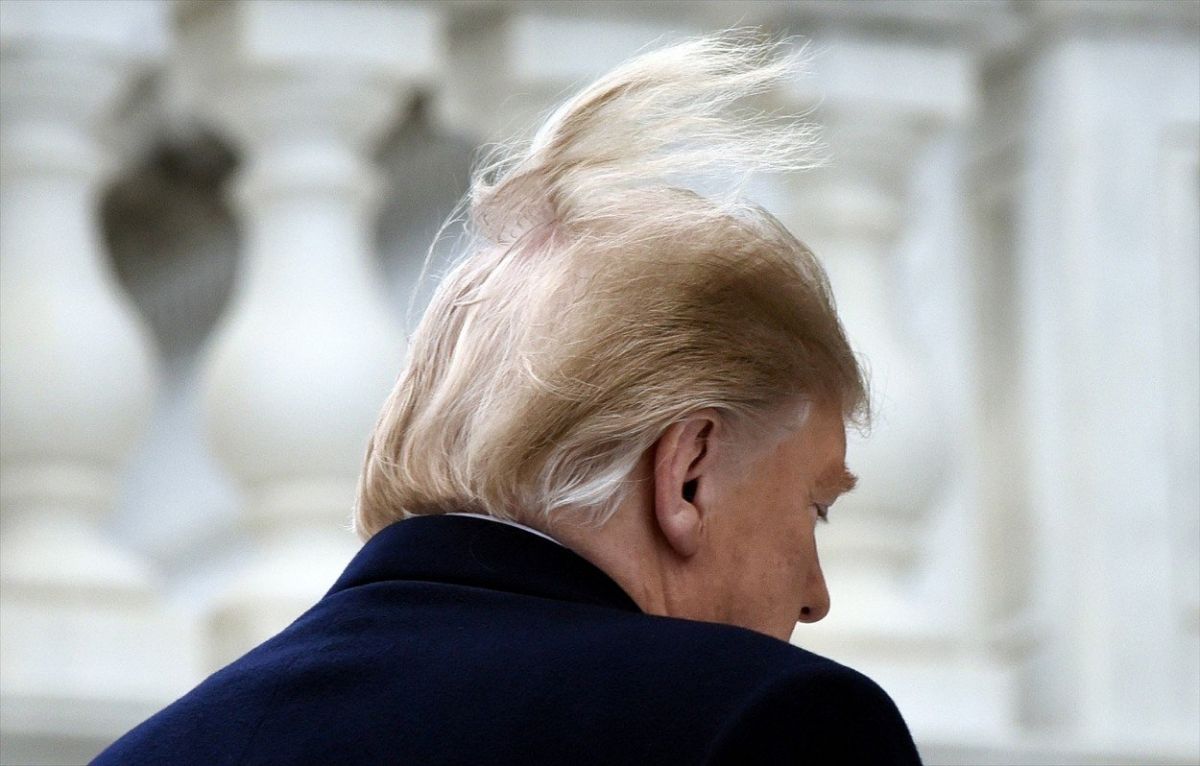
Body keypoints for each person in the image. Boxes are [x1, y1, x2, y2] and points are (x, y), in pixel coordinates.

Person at [94, 33, 922, 765]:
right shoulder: (775, 722)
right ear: (689, 472)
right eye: (815, 508)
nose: (816, 596)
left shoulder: (153, 751)